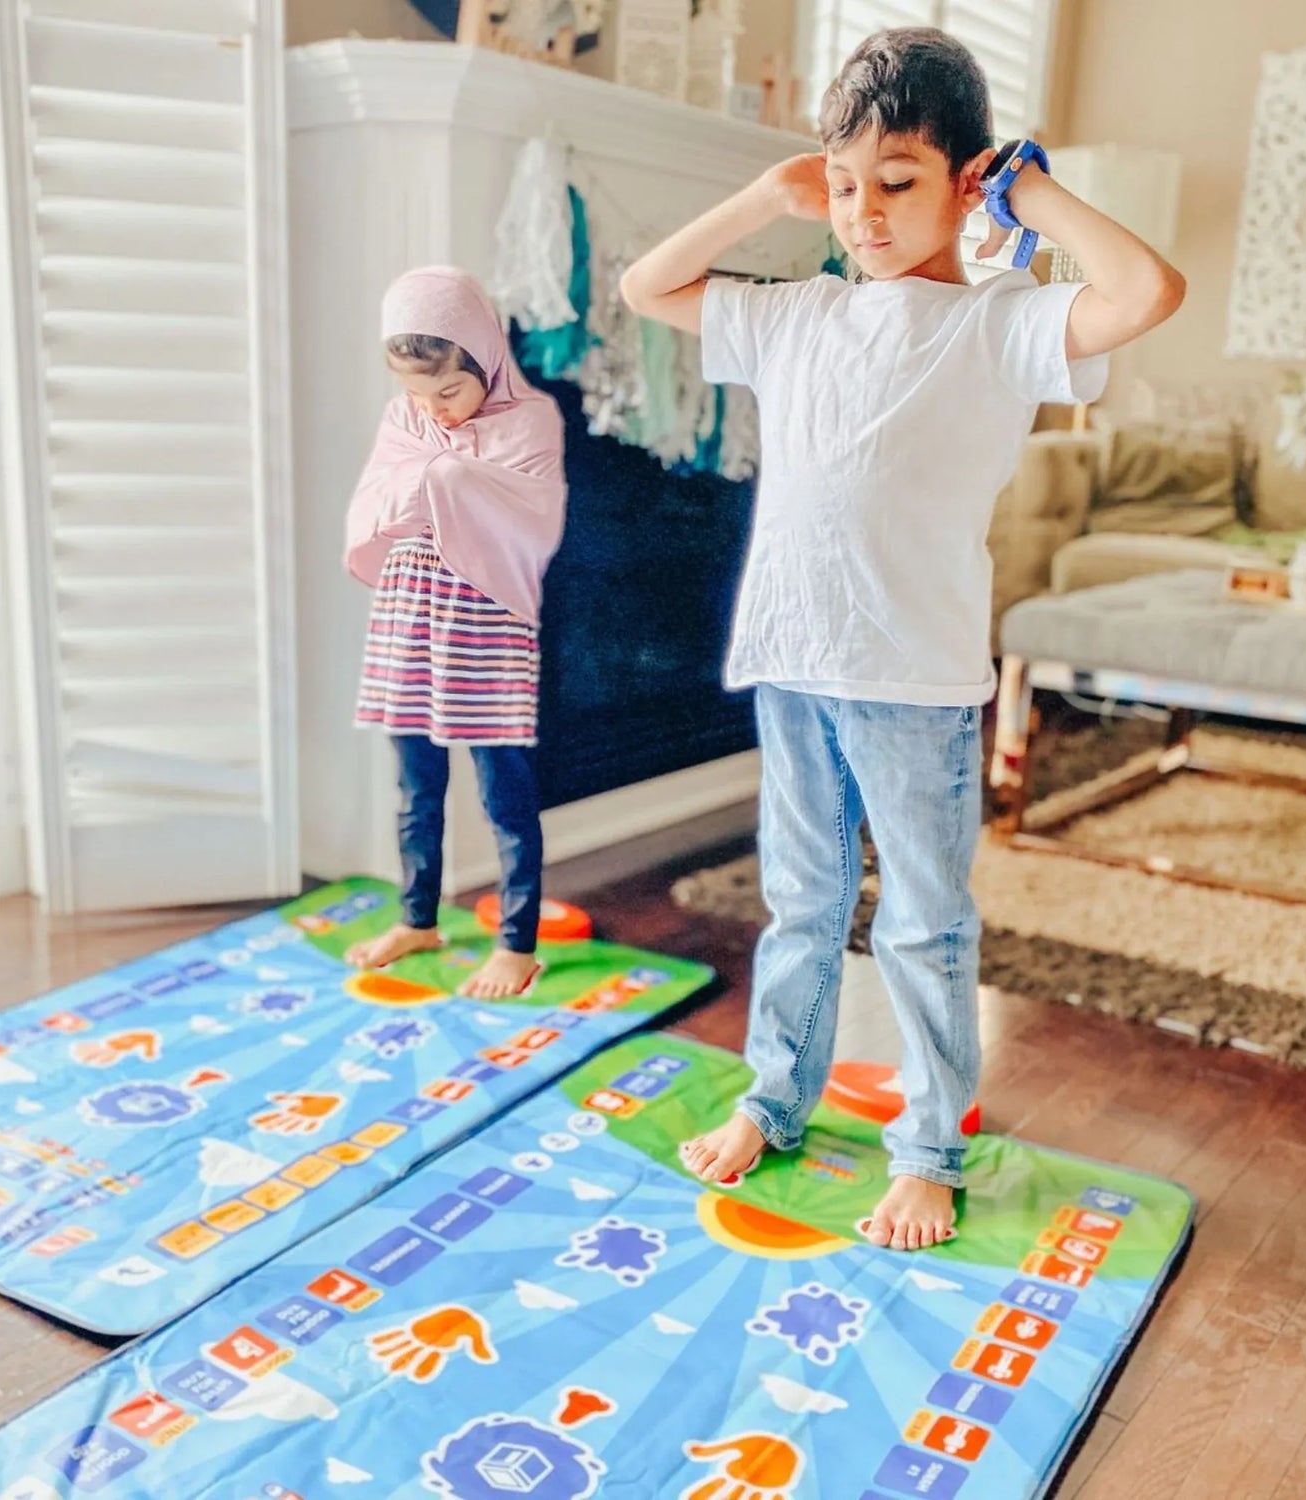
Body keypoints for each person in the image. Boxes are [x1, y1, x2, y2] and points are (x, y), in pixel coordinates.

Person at [620, 27, 1184, 1249]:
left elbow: (1147, 293)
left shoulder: (1001, 327)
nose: (863, 214)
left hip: (914, 678)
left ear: (960, 178)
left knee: (925, 920)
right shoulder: (798, 314)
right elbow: (645, 290)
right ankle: (776, 1101)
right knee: (802, 904)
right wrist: (764, 197)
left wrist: (1027, 191)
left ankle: (930, 1147)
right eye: (843, 185)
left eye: (898, 182)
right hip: (791, 658)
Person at [343, 267, 566, 999]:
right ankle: (418, 915)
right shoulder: (403, 420)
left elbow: (526, 520)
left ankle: (517, 941)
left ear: (485, 360)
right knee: (415, 783)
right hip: (409, 620)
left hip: (484, 623)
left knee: (504, 787)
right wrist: (449, 477)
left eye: (449, 393)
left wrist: (441, 482)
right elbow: (380, 501)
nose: (433, 412)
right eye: (416, 396)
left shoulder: (529, 422)